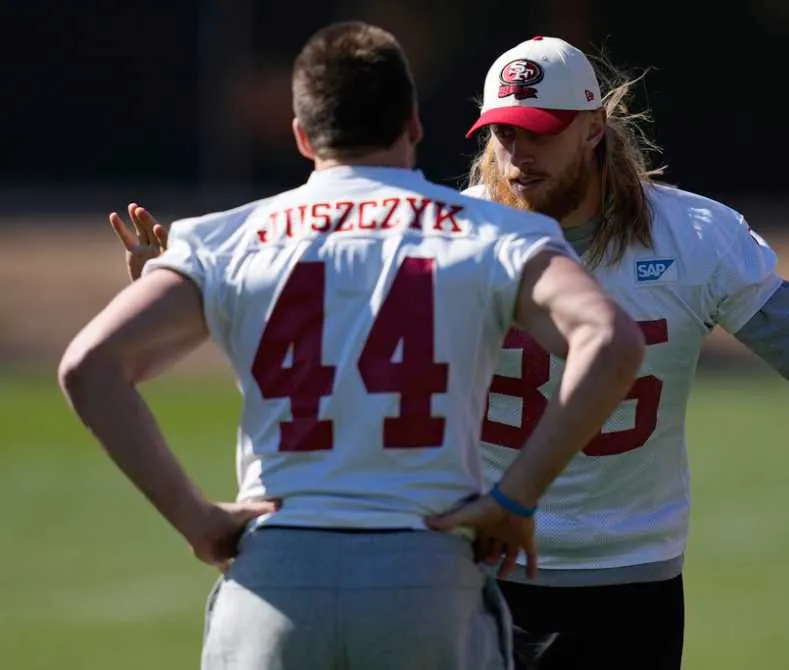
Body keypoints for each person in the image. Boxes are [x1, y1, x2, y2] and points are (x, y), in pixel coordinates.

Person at [109, 34, 789, 670]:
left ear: (594, 129)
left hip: (627, 574)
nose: (514, 150)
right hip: (471, 561)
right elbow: (325, 338)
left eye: (537, 128)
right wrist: (181, 291)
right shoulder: (455, 230)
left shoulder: (693, 235)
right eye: (500, 130)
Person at [59, 22, 645, 670]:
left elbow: (91, 366)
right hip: (425, 573)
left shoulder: (222, 238)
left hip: (276, 578)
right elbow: (610, 339)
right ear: (415, 124)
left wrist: (196, 520)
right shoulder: (494, 232)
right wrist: (516, 497)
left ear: (303, 137)